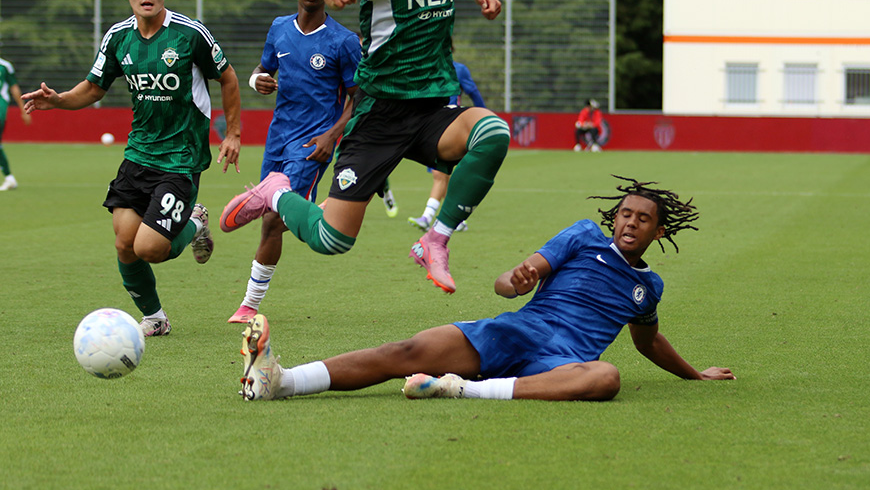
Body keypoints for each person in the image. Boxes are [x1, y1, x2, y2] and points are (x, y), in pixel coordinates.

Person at [220, 0, 509, 295]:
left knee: (492, 133)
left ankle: (435, 240)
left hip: (432, 106)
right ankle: (274, 192)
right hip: (378, 112)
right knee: (332, 240)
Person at [236, 176, 735, 402]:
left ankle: (463, 390)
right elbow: (507, 284)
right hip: (517, 330)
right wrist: (516, 280)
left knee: (606, 378)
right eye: (626, 214)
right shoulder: (584, 236)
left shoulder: (648, 286)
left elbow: (648, 342)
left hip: (562, 364)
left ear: (659, 232)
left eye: (643, 219)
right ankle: (281, 381)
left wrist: (695, 375)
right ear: (615, 217)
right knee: (405, 351)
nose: (631, 223)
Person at [23, 0, 242, 337]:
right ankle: (155, 318)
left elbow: (228, 77)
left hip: (181, 158)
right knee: (125, 244)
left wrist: (234, 134)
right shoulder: (118, 37)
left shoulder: (190, 34)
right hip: (138, 155)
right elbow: (93, 88)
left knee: (150, 249)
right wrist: (58, 100)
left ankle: (194, 222)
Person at [226, 0, 362, 324]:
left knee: (274, 219)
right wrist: (257, 80)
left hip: (312, 143)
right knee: (275, 216)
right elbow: (263, 69)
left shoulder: (344, 41)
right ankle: (314, 206)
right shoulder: (279, 28)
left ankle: (249, 305)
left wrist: (331, 136)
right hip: (278, 138)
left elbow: (360, 96)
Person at [408, 59, 485, 232]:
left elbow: (474, 93)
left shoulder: (456, 68)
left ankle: (427, 217)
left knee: (439, 174)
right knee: (443, 175)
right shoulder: (427, 65)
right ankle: (456, 219)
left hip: (448, 123)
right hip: (431, 123)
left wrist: (485, 115)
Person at [0, 57, 31, 190]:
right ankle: (9, 178)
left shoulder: (5, 66)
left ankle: (9, 178)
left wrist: (23, 110)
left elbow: (14, 88)